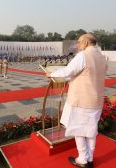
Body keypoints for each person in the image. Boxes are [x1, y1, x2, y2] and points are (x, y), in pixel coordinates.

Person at [46, 33, 107, 168]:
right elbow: (86, 75)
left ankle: (82, 159)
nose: (77, 45)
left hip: (81, 99)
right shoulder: (102, 57)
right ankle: (90, 158)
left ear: (85, 43)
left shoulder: (83, 56)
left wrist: (52, 73)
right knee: (90, 130)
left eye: (79, 42)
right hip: (96, 100)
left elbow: (68, 72)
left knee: (79, 129)